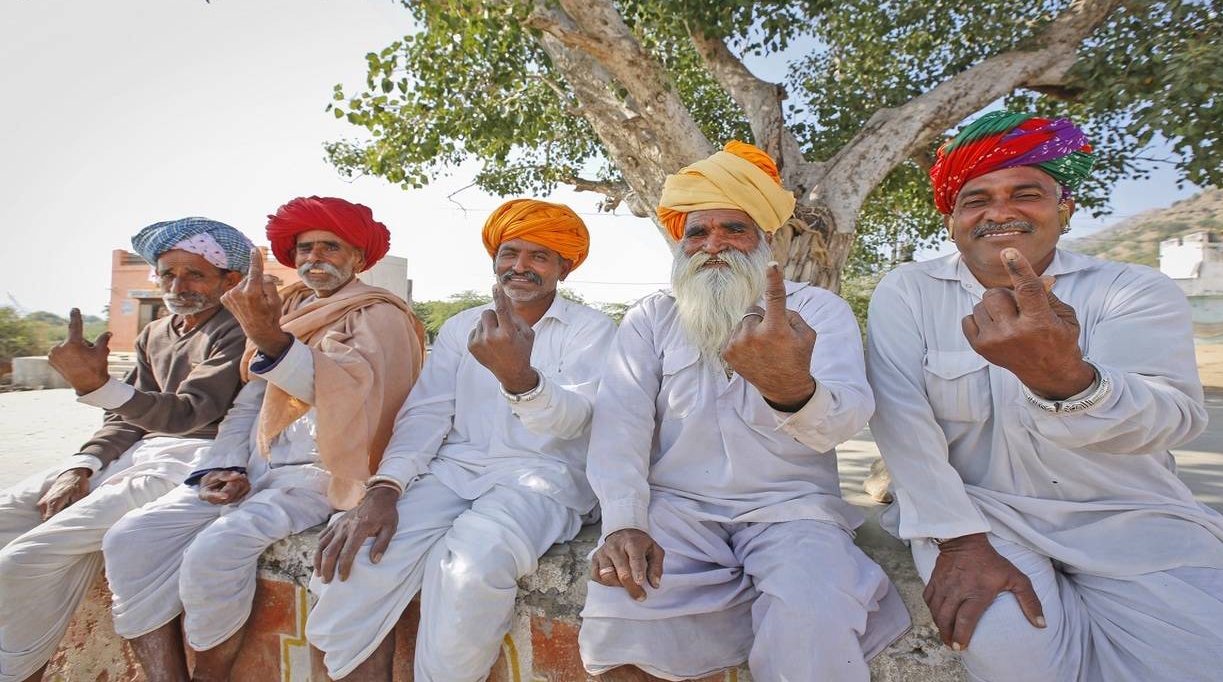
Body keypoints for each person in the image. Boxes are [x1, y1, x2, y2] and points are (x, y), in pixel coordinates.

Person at [867, 110, 1223, 681]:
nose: (999, 212)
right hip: (982, 518)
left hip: (1131, 516)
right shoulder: (909, 291)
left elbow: (1175, 419)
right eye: (976, 198)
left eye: (1026, 193)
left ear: (1065, 209)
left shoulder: (1131, 290)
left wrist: (1064, 378)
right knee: (1014, 656)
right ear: (952, 218)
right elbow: (902, 423)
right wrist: (959, 542)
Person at [579, 142, 910, 681]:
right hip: (676, 510)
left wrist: (789, 386)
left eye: (734, 229)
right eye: (697, 232)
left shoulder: (818, 310)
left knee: (815, 617)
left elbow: (848, 418)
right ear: (680, 244)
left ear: (767, 240)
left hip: (793, 509)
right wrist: (622, 522)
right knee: (622, 613)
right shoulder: (651, 318)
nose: (714, 245)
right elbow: (621, 427)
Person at [102, 196, 425, 682]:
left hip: (327, 476)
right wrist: (226, 465)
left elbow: (345, 393)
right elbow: (252, 399)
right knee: (131, 537)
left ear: (359, 258)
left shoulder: (379, 315)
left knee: (216, 552)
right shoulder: (286, 304)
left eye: (331, 247)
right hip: (256, 466)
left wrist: (272, 339)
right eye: (305, 248)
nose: (315, 257)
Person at [306, 199, 615, 681]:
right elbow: (427, 414)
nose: (520, 266)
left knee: (469, 578)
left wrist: (521, 379)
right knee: (354, 563)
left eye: (539, 257)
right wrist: (384, 489)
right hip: (454, 472)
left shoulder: (592, 330)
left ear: (565, 268)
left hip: (545, 481)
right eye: (511, 252)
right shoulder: (460, 327)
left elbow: (576, 421)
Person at [0, 217, 251, 682]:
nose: (178, 284)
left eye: (195, 274)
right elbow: (123, 419)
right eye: (168, 273)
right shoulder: (155, 332)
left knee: (21, 560)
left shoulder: (237, 330)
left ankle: (19, 672)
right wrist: (83, 464)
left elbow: (188, 413)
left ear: (229, 280)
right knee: (7, 515)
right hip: (134, 455)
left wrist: (98, 385)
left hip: (192, 460)